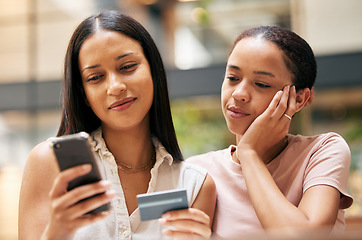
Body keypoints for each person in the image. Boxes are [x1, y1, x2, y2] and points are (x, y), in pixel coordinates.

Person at [18, 10, 216, 240]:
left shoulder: (194, 185)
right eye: (95, 77)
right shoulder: (49, 162)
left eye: (127, 67)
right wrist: (56, 232)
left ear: (154, 70)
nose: (115, 86)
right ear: (84, 94)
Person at [187, 26, 353, 239]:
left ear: (299, 99)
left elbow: (305, 236)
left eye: (261, 84)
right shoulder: (197, 171)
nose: (239, 94)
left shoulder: (322, 151)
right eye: (233, 77)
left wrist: (248, 153)